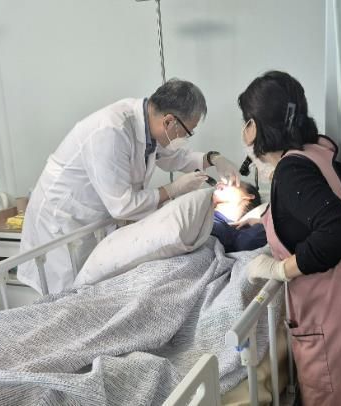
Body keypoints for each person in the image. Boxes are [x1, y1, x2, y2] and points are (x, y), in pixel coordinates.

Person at [240, 71, 341, 405]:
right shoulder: (316, 152)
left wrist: (280, 270)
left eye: (244, 121)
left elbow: (340, 230)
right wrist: (264, 212)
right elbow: (314, 209)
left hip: (334, 322)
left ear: (252, 127)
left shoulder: (291, 171)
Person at [18, 79, 240, 294]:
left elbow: (174, 157)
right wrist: (172, 190)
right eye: (187, 132)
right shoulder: (111, 132)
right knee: (64, 297)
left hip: (92, 222)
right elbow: (122, 205)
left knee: (85, 291)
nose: (186, 137)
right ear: (169, 122)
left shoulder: (148, 127)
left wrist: (214, 158)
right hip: (62, 221)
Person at [210, 181, 267, 253]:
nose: (219, 183)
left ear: (249, 196)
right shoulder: (205, 212)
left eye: (233, 183)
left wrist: (261, 221)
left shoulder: (231, 233)